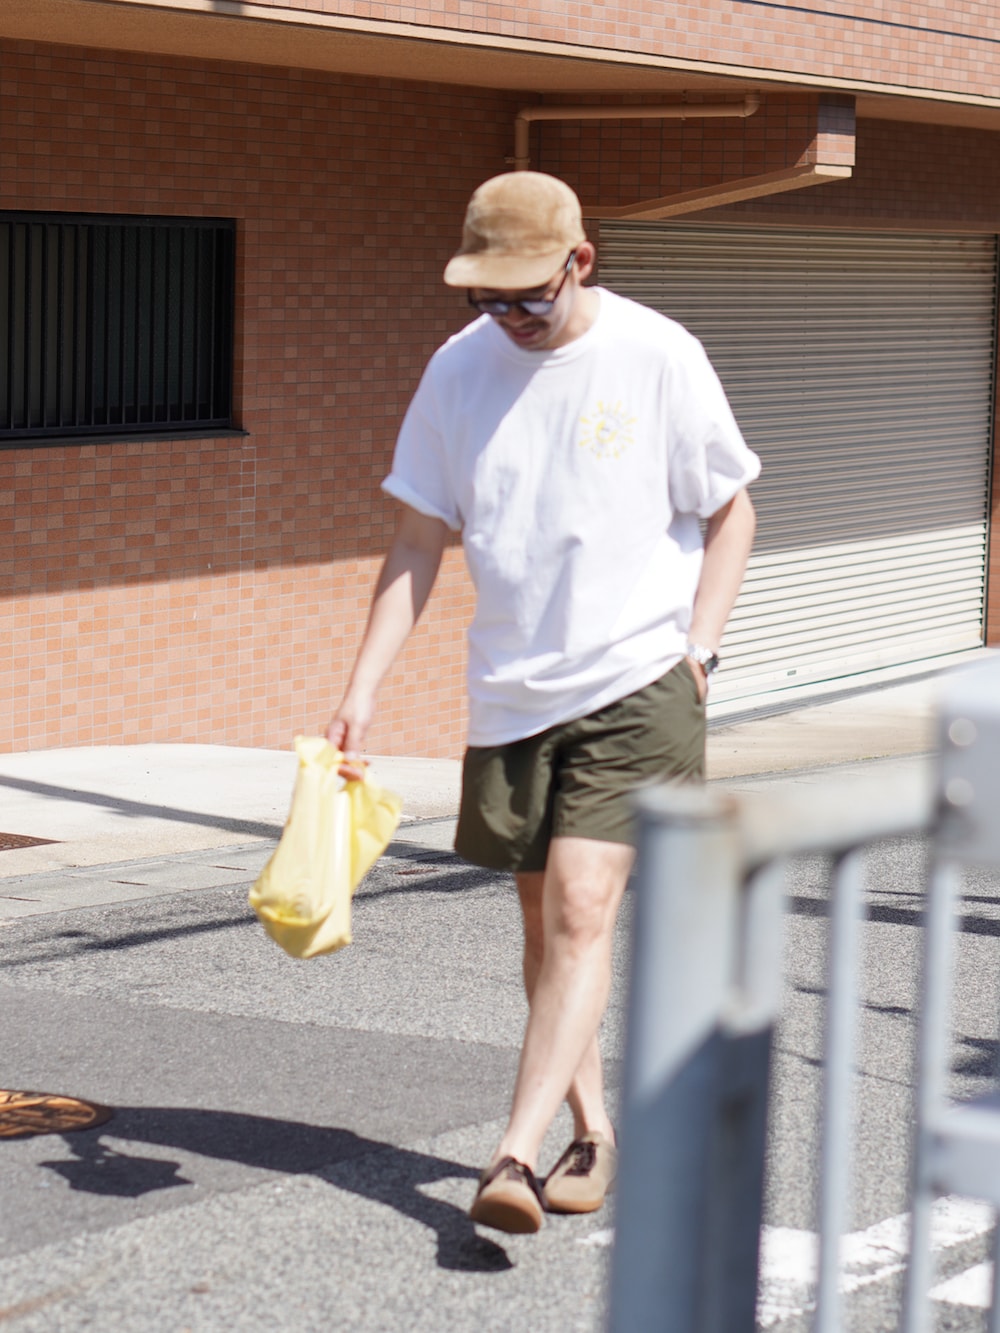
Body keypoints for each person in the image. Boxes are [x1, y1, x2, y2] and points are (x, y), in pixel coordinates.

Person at [327, 171, 760, 1235]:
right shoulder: (457, 369)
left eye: (528, 295)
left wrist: (697, 653)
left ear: (580, 262)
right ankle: (592, 1128)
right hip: (513, 690)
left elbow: (731, 510)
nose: (509, 318)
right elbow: (420, 539)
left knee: (578, 907)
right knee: (546, 923)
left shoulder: (656, 354)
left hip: (636, 679)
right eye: (487, 298)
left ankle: (510, 1156)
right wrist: (362, 688)